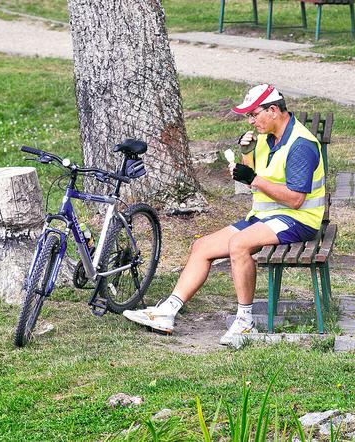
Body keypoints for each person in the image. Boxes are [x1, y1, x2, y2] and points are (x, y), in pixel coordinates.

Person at [122, 84, 326, 344]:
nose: (251, 121)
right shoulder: (266, 137)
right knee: (202, 246)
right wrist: (247, 157)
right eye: (248, 116)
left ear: (273, 110)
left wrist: (252, 178)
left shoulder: (301, 145)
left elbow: (296, 200)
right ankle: (167, 311)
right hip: (268, 217)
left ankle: (244, 323)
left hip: (298, 220)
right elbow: (257, 181)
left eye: (254, 114)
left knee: (238, 244)